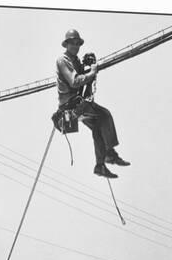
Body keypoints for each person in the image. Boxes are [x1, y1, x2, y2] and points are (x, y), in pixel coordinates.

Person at [55, 29, 130, 178]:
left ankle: (100, 165)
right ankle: (109, 153)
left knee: (98, 127)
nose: (76, 46)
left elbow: (82, 79)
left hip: (77, 104)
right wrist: (92, 72)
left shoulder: (75, 61)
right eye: (73, 43)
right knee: (104, 115)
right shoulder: (63, 60)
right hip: (70, 105)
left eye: (78, 43)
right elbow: (75, 81)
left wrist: (86, 65)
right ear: (67, 44)